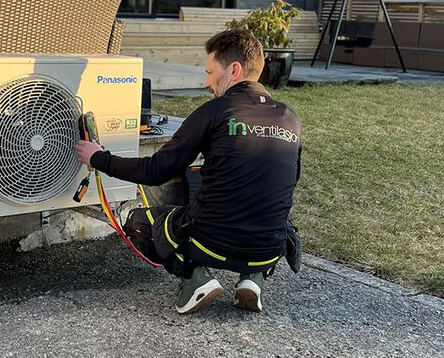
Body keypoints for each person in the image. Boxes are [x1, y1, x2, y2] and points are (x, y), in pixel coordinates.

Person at [75, 29, 301, 314]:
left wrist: (99, 158)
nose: (206, 83)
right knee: (268, 211)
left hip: (211, 243)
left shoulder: (216, 110)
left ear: (234, 70)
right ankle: (252, 279)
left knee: (139, 223)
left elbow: (155, 171)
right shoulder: (289, 118)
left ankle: (196, 278)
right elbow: (288, 183)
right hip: (267, 250)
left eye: (210, 73)